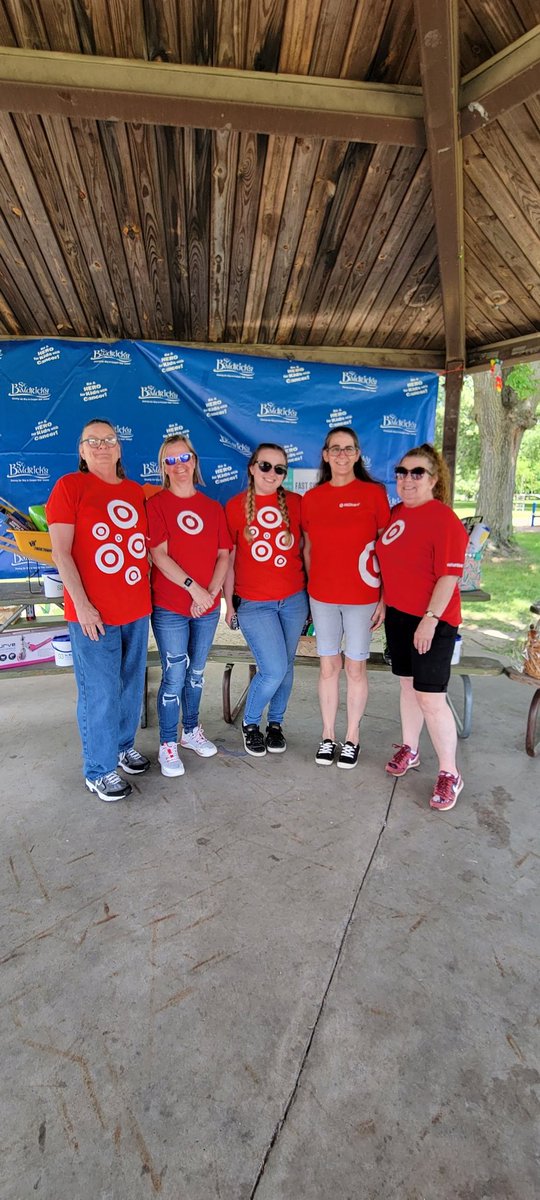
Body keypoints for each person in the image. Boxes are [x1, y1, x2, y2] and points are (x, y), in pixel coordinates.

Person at [47, 418, 151, 802]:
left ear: (119, 448)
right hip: (93, 614)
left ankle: (122, 746)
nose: (102, 445)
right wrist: (84, 606)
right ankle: (98, 768)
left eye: (109, 439)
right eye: (92, 440)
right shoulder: (70, 487)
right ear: (81, 450)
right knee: (100, 692)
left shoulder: (135, 491)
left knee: (128, 686)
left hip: (136, 609)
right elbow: (61, 552)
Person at [376, 443, 469, 812]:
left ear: (433, 479)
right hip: (399, 616)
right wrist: (385, 601)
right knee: (406, 687)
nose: (407, 480)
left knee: (430, 697)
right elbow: (394, 566)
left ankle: (450, 773)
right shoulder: (397, 513)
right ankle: (410, 749)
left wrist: (429, 620)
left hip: (434, 619)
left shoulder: (443, 519)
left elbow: (448, 577)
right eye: (402, 473)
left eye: (417, 473)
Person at [301, 426, 390, 769]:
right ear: (325, 455)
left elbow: (386, 548)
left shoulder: (373, 494)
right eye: (334, 449)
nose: (341, 454)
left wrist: (384, 596)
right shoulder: (312, 498)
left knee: (355, 668)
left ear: (357, 454)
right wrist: (312, 588)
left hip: (362, 597)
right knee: (328, 668)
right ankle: (327, 736)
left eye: (348, 449)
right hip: (322, 597)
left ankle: (352, 737)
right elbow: (308, 548)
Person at [146, 435, 232, 778]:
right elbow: (159, 555)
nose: (178, 465)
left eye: (184, 458)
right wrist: (194, 590)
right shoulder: (157, 504)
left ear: (194, 461)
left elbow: (224, 554)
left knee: (196, 674)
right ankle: (167, 742)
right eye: (170, 460)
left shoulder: (212, 507)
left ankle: (190, 731)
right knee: (174, 675)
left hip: (206, 606)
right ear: (163, 468)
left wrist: (210, 594)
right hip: (170, 606)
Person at [224, 443, 308, 757]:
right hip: (254, 604)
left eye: (279, 469)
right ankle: (250, 724)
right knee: (272, 668)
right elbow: (229, 561)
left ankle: (275, 724)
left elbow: (309, 550)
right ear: (252, 467)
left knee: (286, 667)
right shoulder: (233, 507)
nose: (272, 474)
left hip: (293, 601)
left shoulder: (298, 503)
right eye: (265, 466)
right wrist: (229, 604)